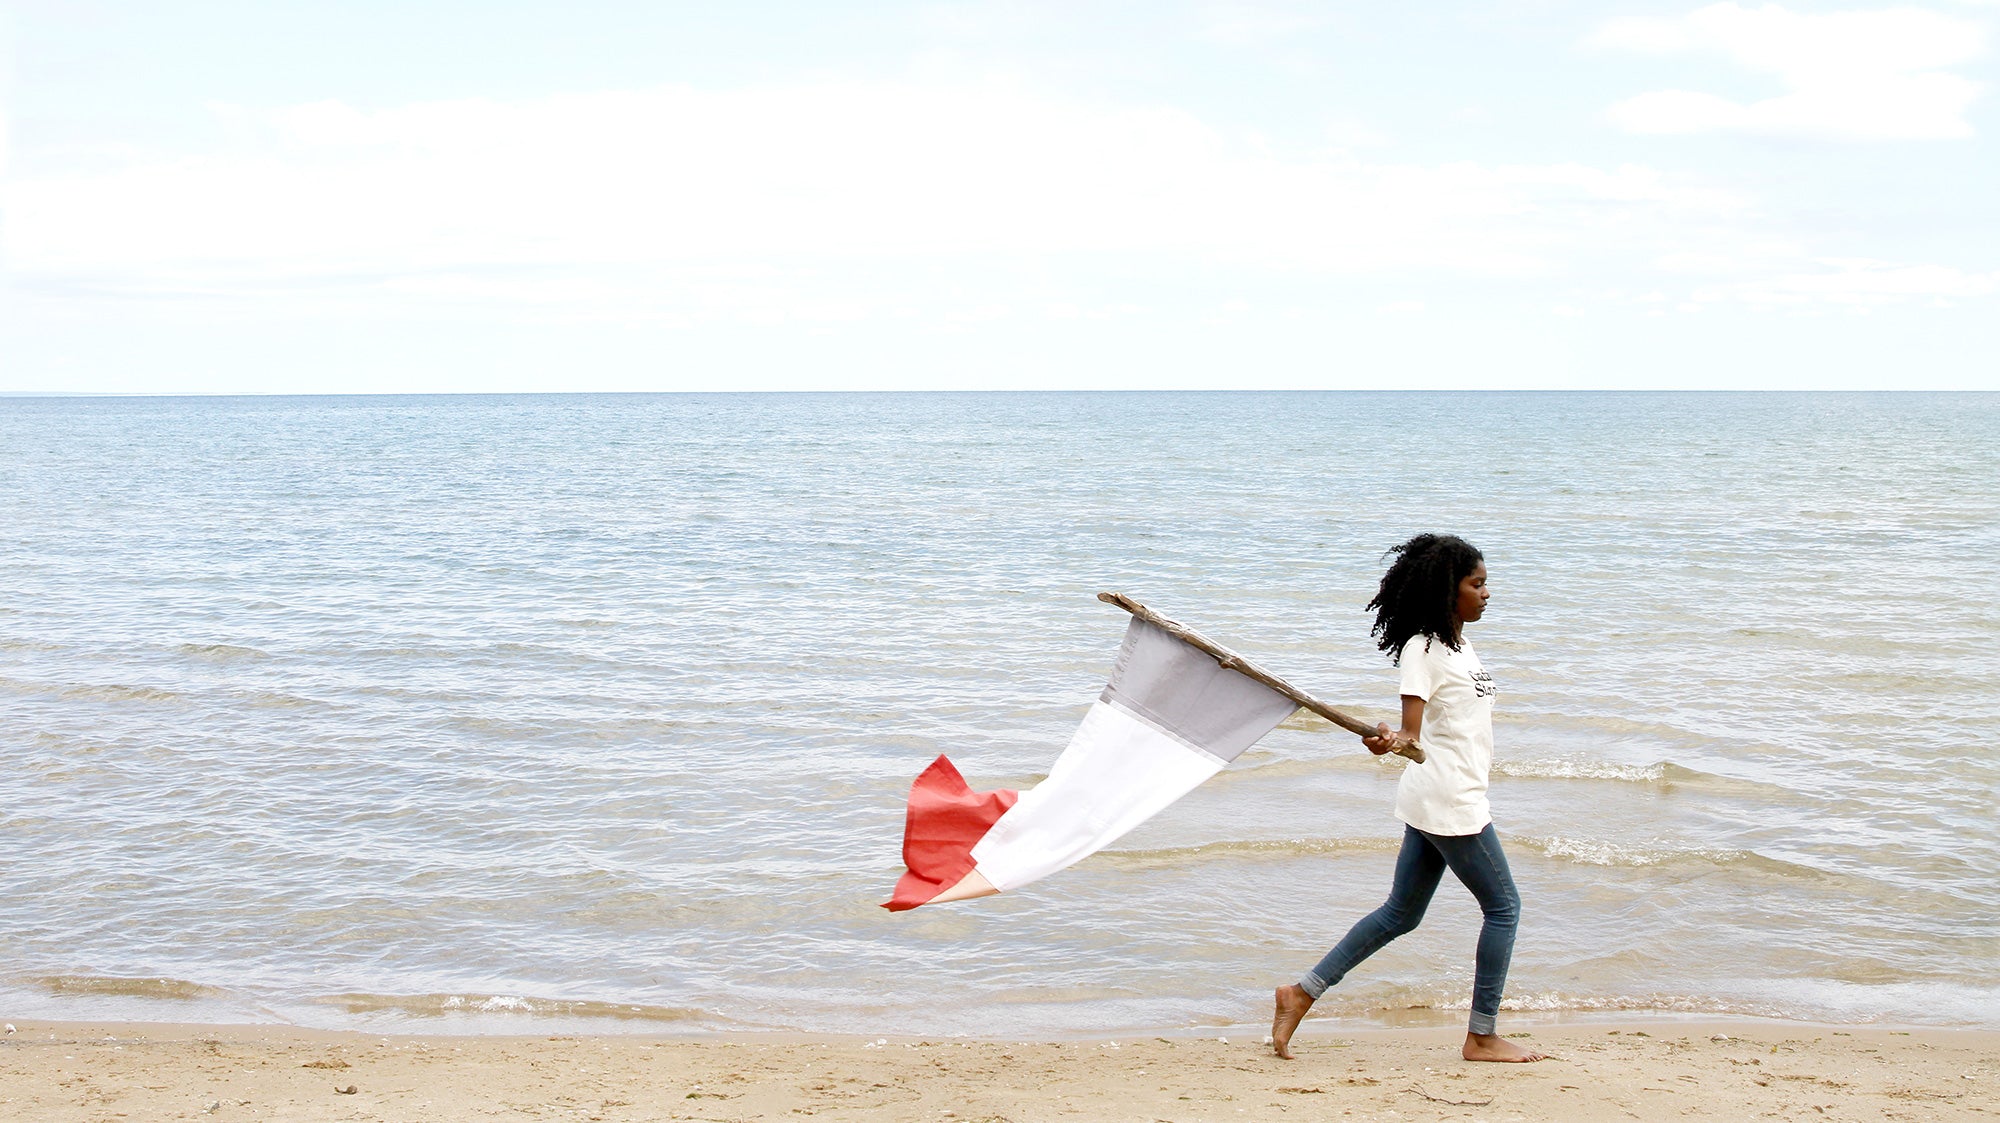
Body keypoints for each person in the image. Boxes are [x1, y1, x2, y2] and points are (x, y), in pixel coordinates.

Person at [1270, 533, 1546, 1063]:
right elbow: (1410, 735)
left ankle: (1300, 993)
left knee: (1401, 913)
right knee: (1505, 908)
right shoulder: (1424, 648)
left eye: (1486, 583)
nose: (1487, 593)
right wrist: (1390, 741)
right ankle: (1482, 1036)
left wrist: (1402, 744)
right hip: (1449, 799)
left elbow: (1437, 732)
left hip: (1439, 795)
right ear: (1450, 590)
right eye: (1477, 584)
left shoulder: (1460, 644)